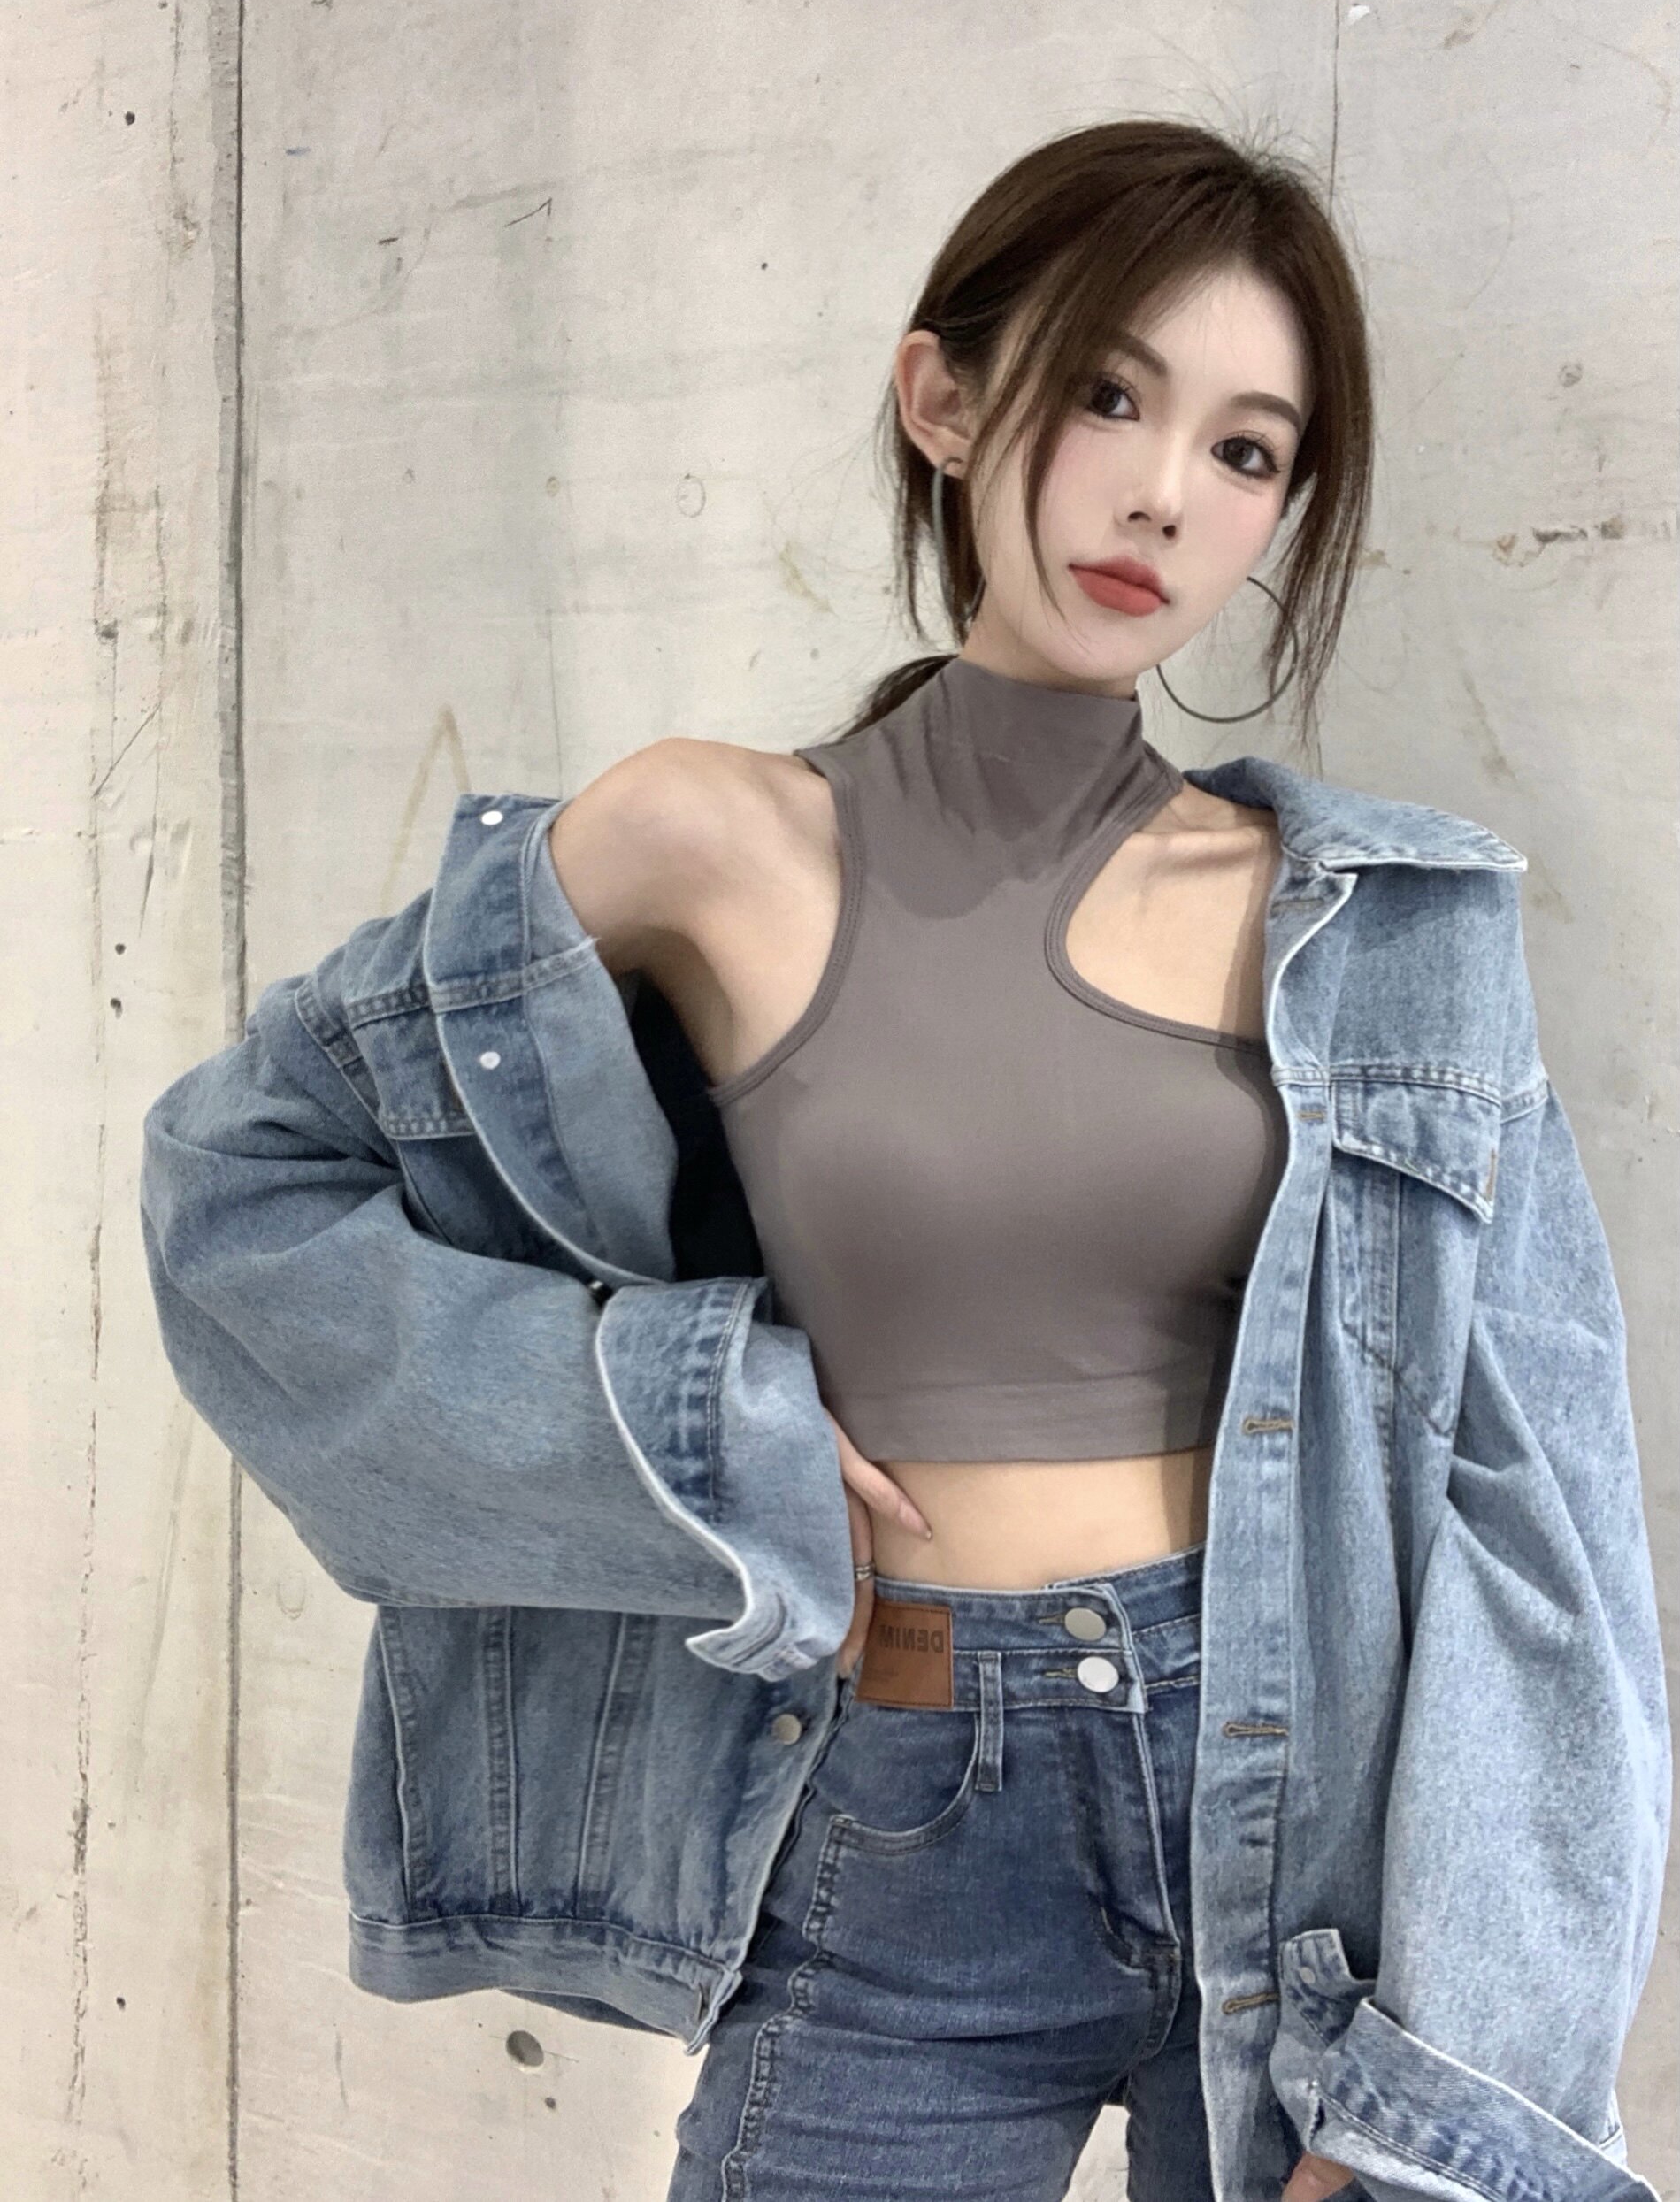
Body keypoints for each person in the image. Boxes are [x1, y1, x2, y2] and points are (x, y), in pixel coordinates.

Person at [139, 119, 1668, 2202]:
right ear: (941, 399)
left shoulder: (1376, 926)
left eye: (1243, 450)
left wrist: (1454, 2079)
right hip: (899, 1820)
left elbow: (1534, 1517)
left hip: (1300, 1837)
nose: (1160, 492)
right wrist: (685, 1428)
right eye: (1108, 394)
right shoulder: (707, 842)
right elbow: (239, 1186)